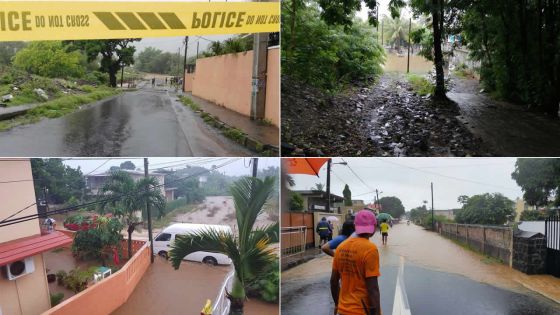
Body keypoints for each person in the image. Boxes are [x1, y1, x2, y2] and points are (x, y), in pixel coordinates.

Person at [331, 210, 381, 315]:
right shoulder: (370, 249)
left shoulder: (340, 247)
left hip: (343, 310)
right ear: (373, 228)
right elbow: (373, 289)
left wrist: (337, 304)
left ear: (355, 226)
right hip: (362, 311)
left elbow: (334, 282)